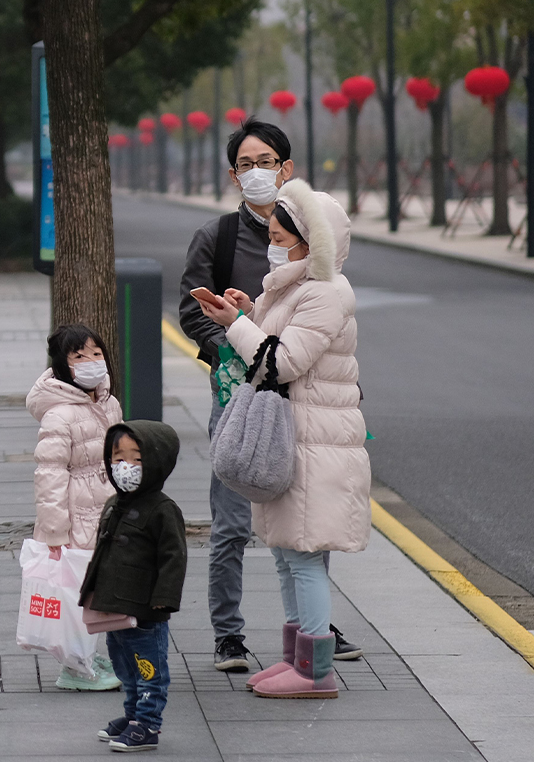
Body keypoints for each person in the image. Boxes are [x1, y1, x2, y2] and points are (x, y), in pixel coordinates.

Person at [177, 119, 361, 670]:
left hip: (297, 399)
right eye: (246, 164)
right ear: (233, 175)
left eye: (267, 162)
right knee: (234, 519)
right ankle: (229, 634)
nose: (257, 173)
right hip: (242, 395)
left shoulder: (319, 240)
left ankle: (313, 633)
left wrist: (247, 326)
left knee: (301, 525)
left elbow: (304, 340)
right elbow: (194, 311)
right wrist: (230, 343)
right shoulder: (218, 236)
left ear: (288, 168)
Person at [79, 421, 186, 753]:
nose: (125, 466)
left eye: (136, 459)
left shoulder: (163, 510)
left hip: (146, 609)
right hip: (116, 604)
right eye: (118, 457)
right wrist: (92, 590)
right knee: (123, 664)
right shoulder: (114, 503)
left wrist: (164, 599)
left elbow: (174, 557)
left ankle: (148, 723)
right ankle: (132, 714)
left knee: (148, 666)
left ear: (155, 462)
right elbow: (103, 551)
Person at [28, 325, 124, 691]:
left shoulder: (108, 402)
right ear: (63, 367)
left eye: (95, 353)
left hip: (103, 511)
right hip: (74, 518)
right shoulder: (59, 415)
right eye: (78, 356)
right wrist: (55, 532)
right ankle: (75, 668)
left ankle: (85, 657)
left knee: (94, 590)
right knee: (77, 594)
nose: (90, 362)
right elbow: (49, 475)